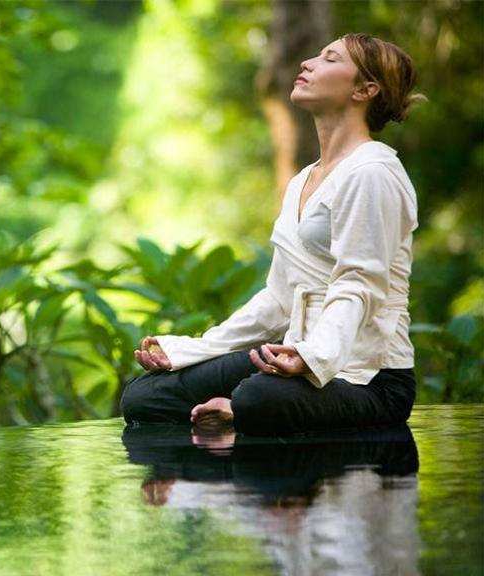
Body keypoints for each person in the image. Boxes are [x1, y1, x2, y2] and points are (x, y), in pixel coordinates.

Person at [120, 33, 429, 436]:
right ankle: (236, 419)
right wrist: (189, 350)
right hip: (294, 357)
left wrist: (313, 358)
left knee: (257, 398)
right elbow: (279, 299)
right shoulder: (303, 181)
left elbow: (360, 283)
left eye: (330, 59)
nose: (308, 63)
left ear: (365, 89)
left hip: (369, 378)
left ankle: (238, 411)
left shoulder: (372, 173)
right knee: (145, 397)